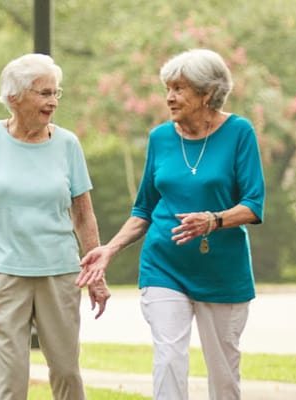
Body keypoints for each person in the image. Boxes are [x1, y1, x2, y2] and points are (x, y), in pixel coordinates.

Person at [74, 48, 266, 400]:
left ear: (207, 93)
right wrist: (109, 249)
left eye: (180, 89)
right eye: (168, 88)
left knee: (223, 370)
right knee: (168, 358)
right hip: (164, 265)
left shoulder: (239, 132)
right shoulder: (160, 137)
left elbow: (254, 205)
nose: (169, 97)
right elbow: (144, 208)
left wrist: (213, 220)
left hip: (222, 271)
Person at [0, 53, 111, 400]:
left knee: (66, 371)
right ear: (14, 97)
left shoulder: (67, 144)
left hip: (59, 271)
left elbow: (83, 215)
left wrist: (97, 272)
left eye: (56, 93)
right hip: (2, 273)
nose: (53, 102)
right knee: (8, 380)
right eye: (44, 93)